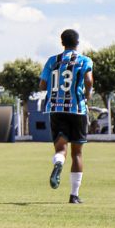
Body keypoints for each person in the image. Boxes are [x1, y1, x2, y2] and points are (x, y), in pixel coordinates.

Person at [38, 29, 93, 204]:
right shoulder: (84, 60)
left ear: (62, 42)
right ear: (77, 42)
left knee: (61, 148)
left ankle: (58, 162)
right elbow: (89, 80)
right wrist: (88, 93)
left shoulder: (52, 61)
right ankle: (74, 195)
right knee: (77, 153)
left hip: (55, 109)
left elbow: (42, 85)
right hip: (76, 109)